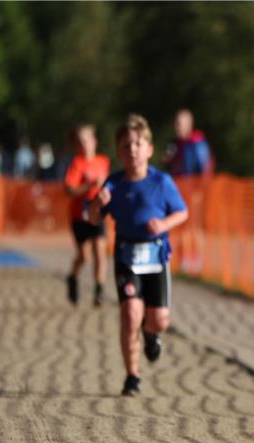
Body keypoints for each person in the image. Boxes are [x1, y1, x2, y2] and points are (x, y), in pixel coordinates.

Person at [89, 114, 188, 397]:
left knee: (160, 320)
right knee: (130, 315)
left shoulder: (161, 181)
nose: (132, 149)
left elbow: (182, 212)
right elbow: (93, 218)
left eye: (137, 144)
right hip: (127, 257)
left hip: (156, 257)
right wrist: (96, 203)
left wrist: (163, 224)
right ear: (119, 152)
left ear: (149, 149)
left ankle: (151, 333)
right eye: (125, 145)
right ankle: (132, 376)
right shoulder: (114, 184)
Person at [63, 124, 111, 306]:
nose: (84, 144)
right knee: (84, 256)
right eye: (80, 141)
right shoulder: (77, 164)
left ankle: (99, 290)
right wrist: (88, 185)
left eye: (87, 140)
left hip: (97, 213)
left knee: (100, 251)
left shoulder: (103, 161)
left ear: (94, 141)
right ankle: (72, 277)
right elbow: (69, 190)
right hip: (79, 216)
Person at [165, 109, 213, 274]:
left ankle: (197, 261)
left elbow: (203, 168)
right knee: (181, 226)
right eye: (175, 122)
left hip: (193, 191)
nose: (176, 126)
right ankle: (183, 260)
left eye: (180, 122)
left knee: (194, 226)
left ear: (188, 124)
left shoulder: (197, 142)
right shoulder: (176, 144)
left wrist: (199, 190)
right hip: (178, 190)